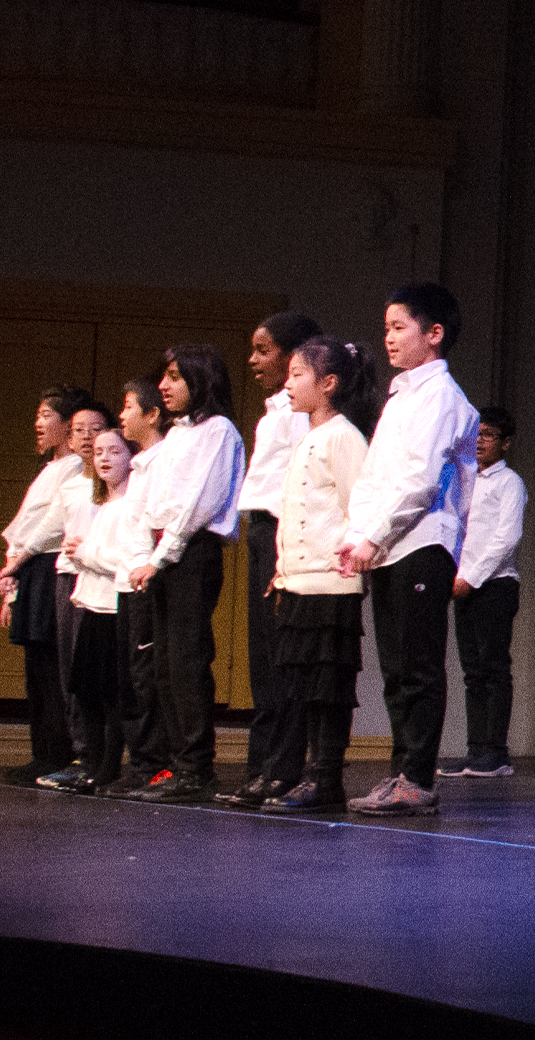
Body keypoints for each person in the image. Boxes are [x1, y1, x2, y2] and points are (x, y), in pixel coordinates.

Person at [340, 283, 482, 818]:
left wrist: (375, 535)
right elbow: (378, 476)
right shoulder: (403, 395)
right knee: (397, 668)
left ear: (434, 334)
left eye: (400, 327)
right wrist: (360, 536)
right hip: (390, 545)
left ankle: (417, 777)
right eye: (387, 328)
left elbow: (420, 482)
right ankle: (401, 772)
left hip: (421, 542)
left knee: (419, 666)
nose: (389, 338)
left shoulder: (443, 398)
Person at [121, 344, 247, 803]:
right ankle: (177, 763)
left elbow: (199, 503)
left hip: (190, 553)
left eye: (175, 377)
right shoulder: (176, 435)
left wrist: (161, 555)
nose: (164, 386)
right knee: (163, 663)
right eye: (164, 376)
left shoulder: (218, 431)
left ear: (201, 381)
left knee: (187, 661)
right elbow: (149, 501)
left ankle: (196, 766)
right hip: (161, 554)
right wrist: (143, 554)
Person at [262, 336, 378, 814]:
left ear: (328, 383)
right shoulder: (309, 435)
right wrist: (281, 569)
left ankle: (326, 778)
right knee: (303, 684)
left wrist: (350, 556)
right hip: (300, 581)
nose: (287, 384)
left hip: (331, 582)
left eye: (297, 375)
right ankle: (312, 776)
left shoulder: (343, 436)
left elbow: (359, 505)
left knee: (328, 686)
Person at [221, 312, 319, 808]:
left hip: (285, 532)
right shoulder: (277, 408)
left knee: (283, 657)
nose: (254, 360)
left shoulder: (304, 412)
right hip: (262, 529)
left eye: (264, 350)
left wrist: (284, 551)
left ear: (294, 353)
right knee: (262, 655)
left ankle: (282, 767)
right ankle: (261, 767)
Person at [0, 387, 95, 783]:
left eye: (45, 415)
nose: (38, 424)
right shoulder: (50, 469)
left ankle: (59, 751)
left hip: (47, 563)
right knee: (37, 664)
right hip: (31, 567)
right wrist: (13, 578)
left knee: (52, 663)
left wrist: (15, 565)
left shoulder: (72, 468)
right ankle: (44, 750)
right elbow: (24, 527)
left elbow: (49, 528)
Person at [50, 423, 140, 794]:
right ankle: (92, 764)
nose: (104, 458)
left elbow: (124, 559)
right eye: (99, 452)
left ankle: (107, 767)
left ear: (131, 458)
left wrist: (84, 552)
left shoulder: (130, 507)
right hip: (91, 605)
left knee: (110, 694)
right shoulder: (104, 506)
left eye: (114, 451)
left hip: (113, 609)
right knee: (86, 690)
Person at [34, 401, 116, 793]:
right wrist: (14, 561)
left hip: (101, 582)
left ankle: (102, 759)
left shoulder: (114, 485)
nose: (87, 437)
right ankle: (82, 754)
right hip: (71, 579)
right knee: (70, 672)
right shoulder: (70, 486)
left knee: (94, 675)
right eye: (79, 430)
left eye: (95, 429)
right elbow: (46, 529)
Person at [96, 379, 169, 798]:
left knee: (146, 679)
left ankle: (152, 765)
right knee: (131, 680)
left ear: (151, 414)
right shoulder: (141, 465)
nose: (121, 416)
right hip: (127, 583)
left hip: (146, 581)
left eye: (128, 408)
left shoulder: (162, 461)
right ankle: (140, 763)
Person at [447, 407, 527, 778]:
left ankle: (496, 753)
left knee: (493, 667)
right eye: (476, 434)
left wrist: (472, 577)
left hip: (494, 584)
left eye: (489, 434)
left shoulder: (508, 482)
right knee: (472, 671)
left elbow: (506, 538)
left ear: (505, 443)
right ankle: (476, 749)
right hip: (463, 584)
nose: (480, 441)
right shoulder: (466, 479)